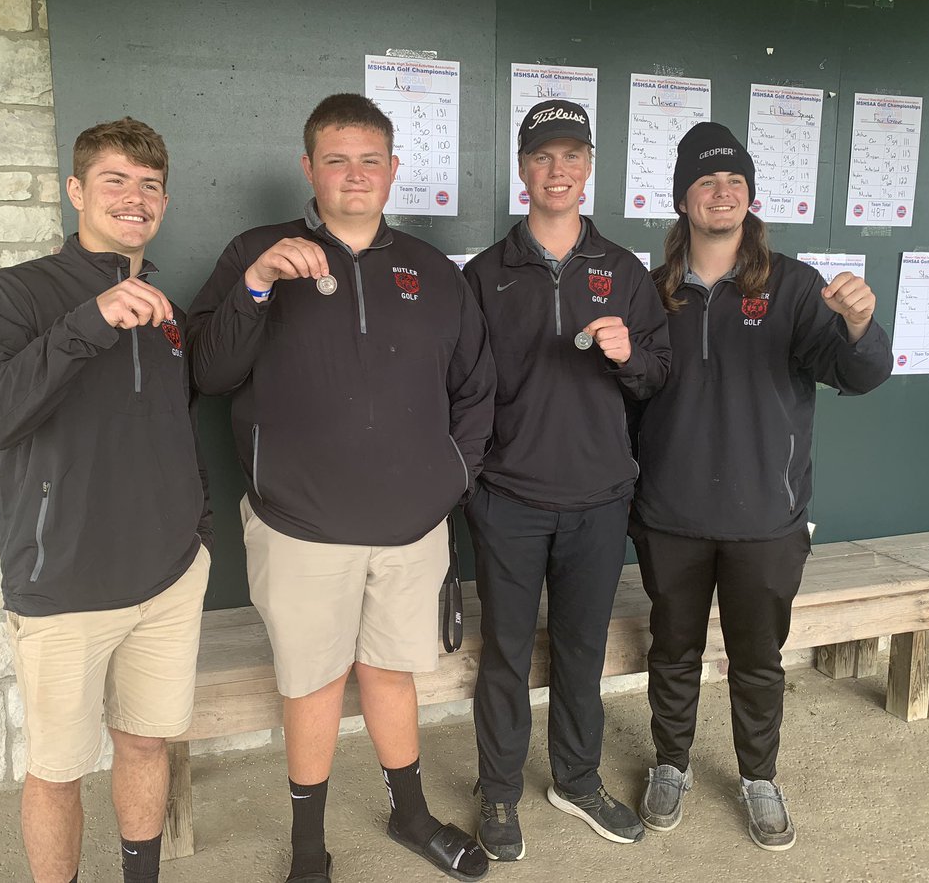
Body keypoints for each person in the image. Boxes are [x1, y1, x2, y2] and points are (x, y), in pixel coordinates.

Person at [187, 93, 495, 883]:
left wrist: (449, 479)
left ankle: (412, 814)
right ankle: (308, 849)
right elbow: (207, 370)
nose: (353, 175)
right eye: (335, 159)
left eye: (369, 160)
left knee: (393, 674)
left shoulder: (432, 271)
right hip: (299, 526)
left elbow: (477, 388)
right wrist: (255, 284)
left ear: (393, 171)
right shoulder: (258, 250)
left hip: (410, 527)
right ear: (308, 168)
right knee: (314, 684)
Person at [0, 117, 213, 883]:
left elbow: (176, 429)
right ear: (76, 190)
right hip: (62, 584)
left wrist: (192, 531)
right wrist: (86, 324)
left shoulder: (168, 314)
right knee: (58, 771)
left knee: (144, 744)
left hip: (166, 579)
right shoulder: (16, 294)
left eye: (150, 185)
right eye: (115, 180)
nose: (135, 197)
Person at [630, 121, 893, 851]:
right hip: (671, 515)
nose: (724, 192)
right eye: (708, 181)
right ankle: (671, 765)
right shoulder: (652, 293)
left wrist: (862, 325)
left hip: (767, 519)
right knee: (673, 651)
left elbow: (860, 375)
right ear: (683, 199)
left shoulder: (798, 286)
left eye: (736, 181)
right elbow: (627, 396)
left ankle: (758, 777)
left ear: (751, 197)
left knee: (757, 661)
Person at [461, 100, 671, 860]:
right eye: (543, 158)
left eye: (572, 156)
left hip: (599, 500)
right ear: (523, 171)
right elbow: (464, 389)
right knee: (506, 656)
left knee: (582, 651)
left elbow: (657, 376)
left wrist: (628, 358)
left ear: (589, 168)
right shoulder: (486, 275)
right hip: (509, 500)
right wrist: (472, 484)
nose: (558, 171)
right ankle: (497, 793)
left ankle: (577, 781)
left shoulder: (624, 272)